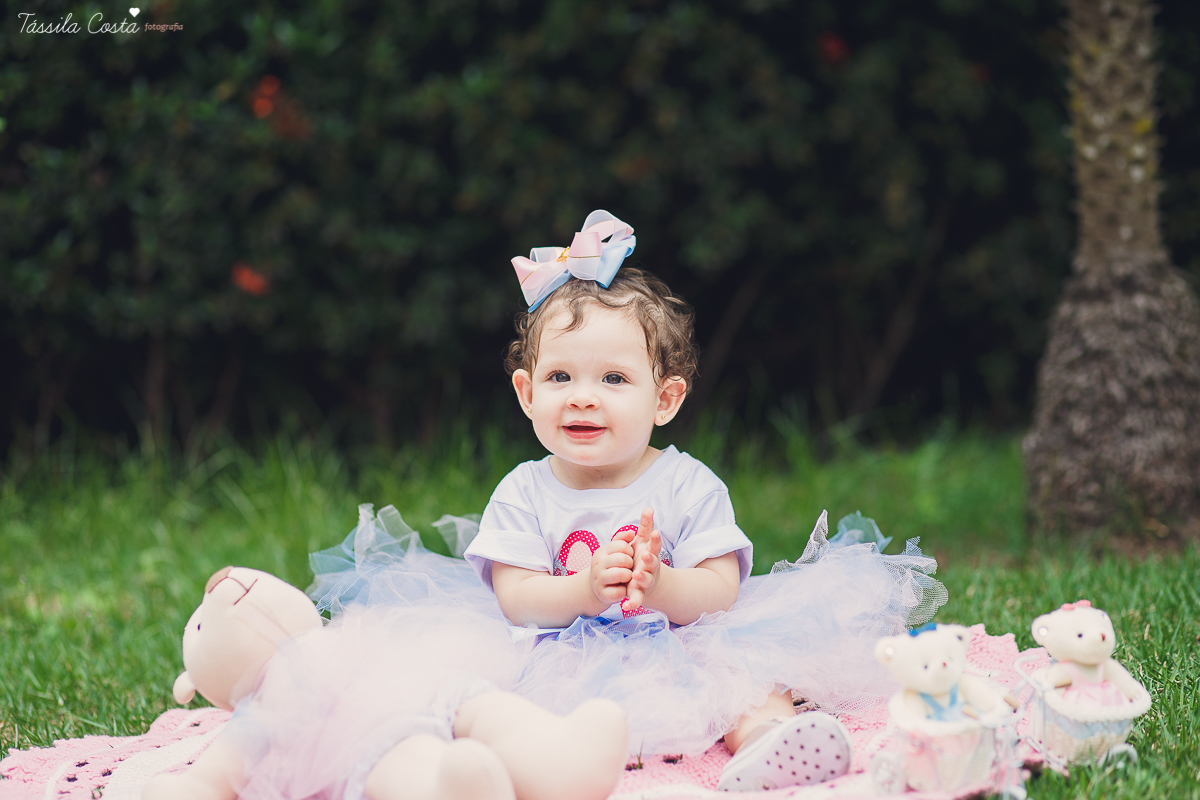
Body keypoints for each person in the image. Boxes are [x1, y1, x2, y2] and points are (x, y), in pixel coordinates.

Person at [310, 211, 947, 793]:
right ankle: (524, 763)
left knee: (742, 673)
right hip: (559, 650)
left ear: (664, 399)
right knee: (488, 695)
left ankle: (768, 742)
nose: (583, 397)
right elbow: (516, 596)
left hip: (678, 636)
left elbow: (722, 588)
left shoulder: (686, 484)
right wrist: (585, 591)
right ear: (527, 393)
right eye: (561, 377)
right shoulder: (524, 491)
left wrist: (663, 583)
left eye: (614, 379)